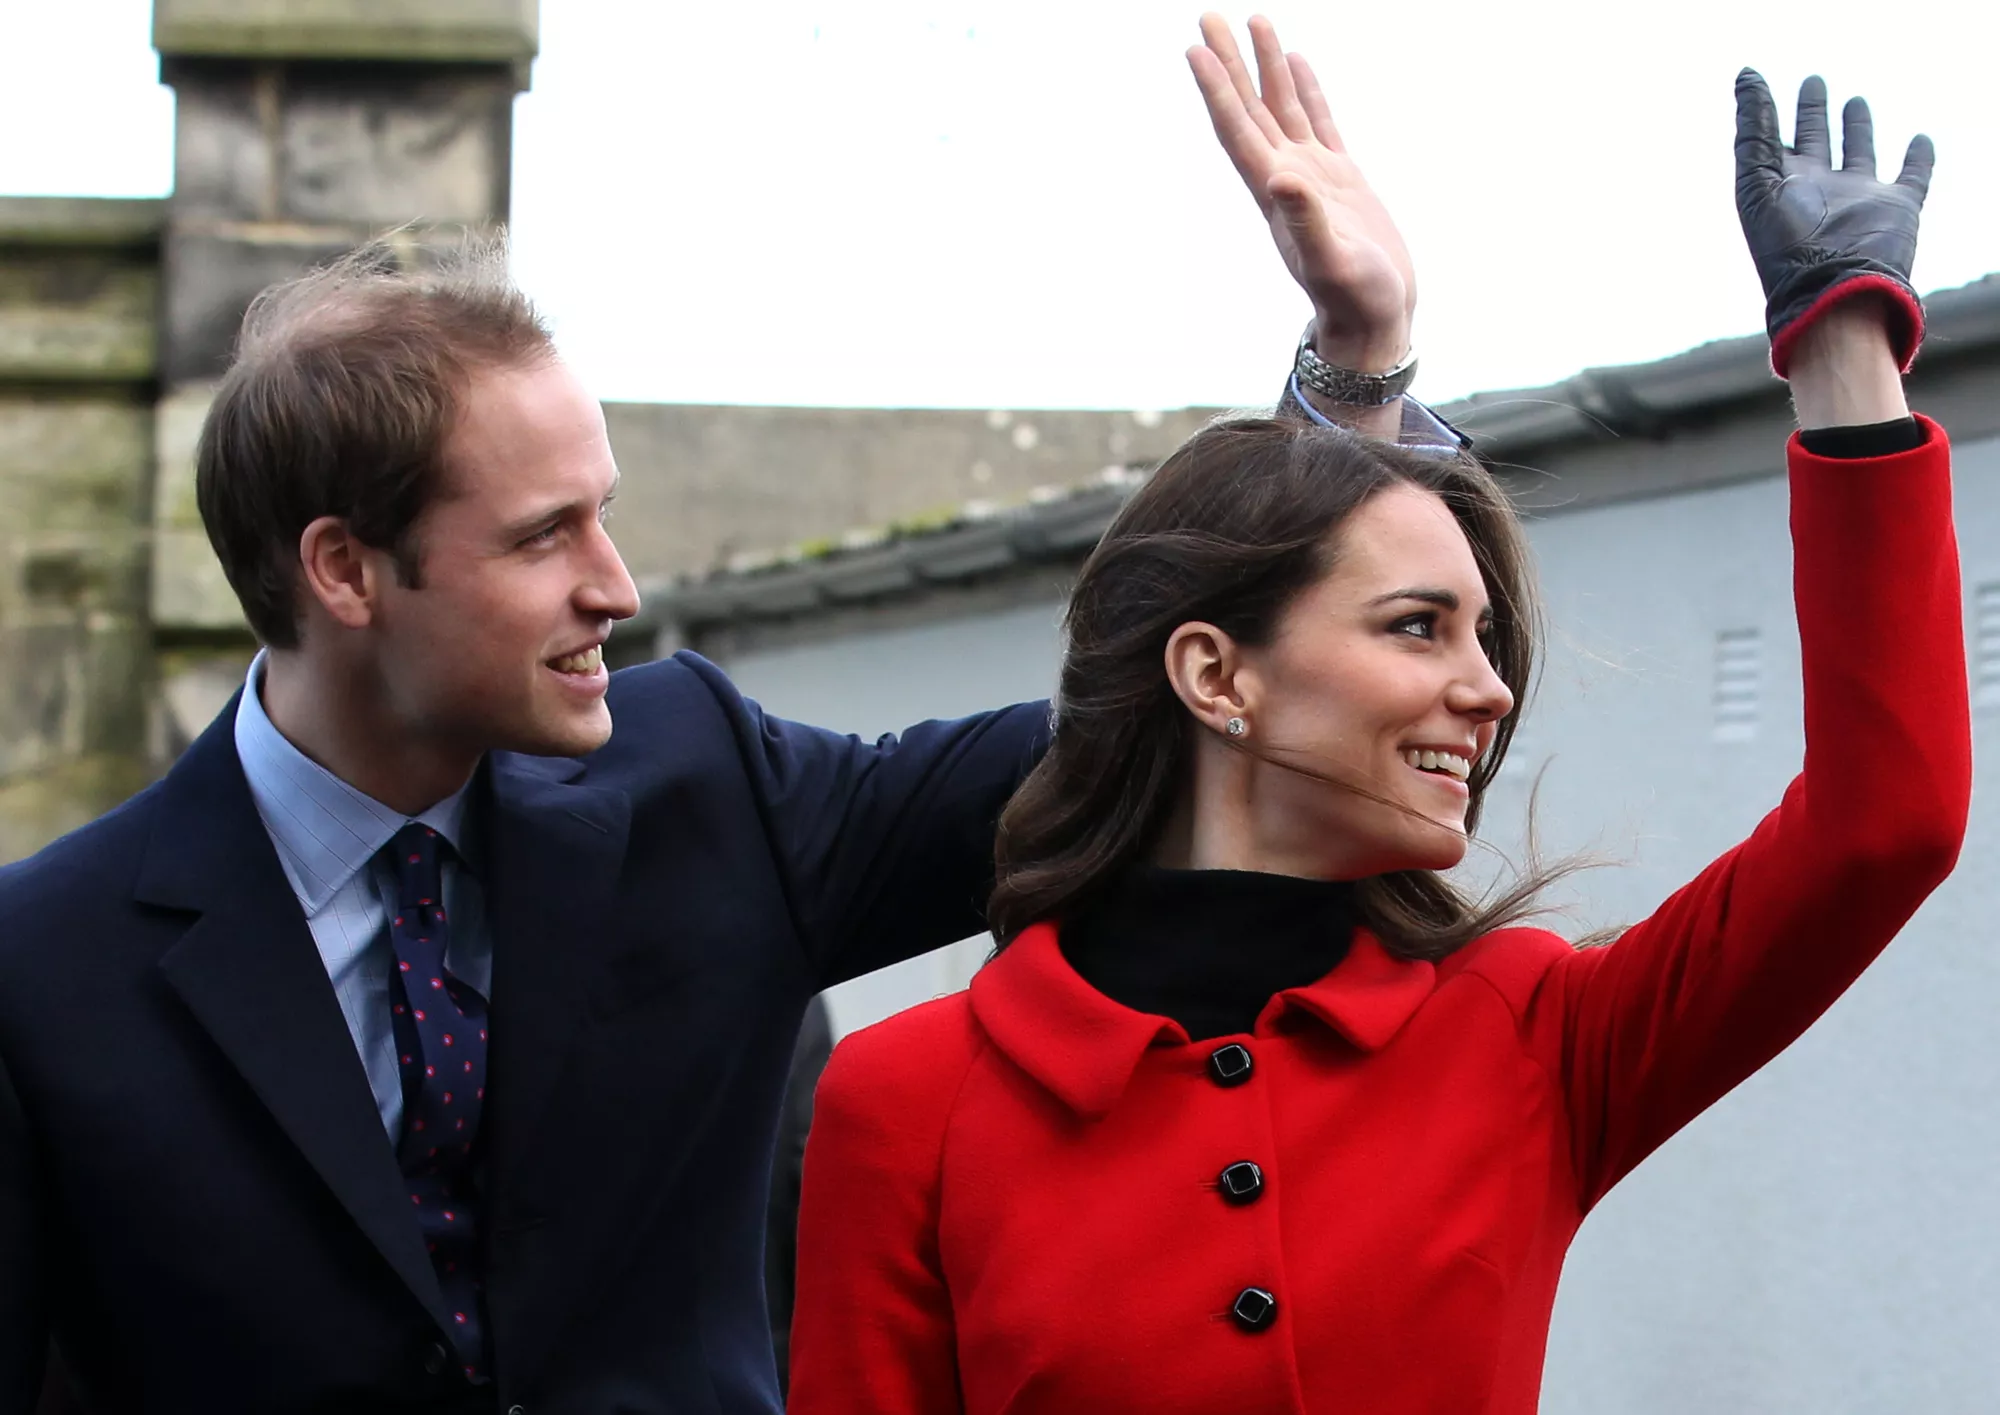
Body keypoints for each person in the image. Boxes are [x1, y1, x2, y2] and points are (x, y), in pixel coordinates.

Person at [0, 19, 1431, 1414]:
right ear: (344, 569)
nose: (615, 586)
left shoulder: (705, 780)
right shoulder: (44, 967)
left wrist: (1350, 382)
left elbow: (1134, 740)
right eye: (541, 536)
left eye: (603, 514)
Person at [786, 28, 1969, 1415]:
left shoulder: (1527, 1034)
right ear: (1216, 675)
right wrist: (1356, 373)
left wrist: (1840, 345)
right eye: (1419, 627)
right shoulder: (905, 1100)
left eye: (1485, 636)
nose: (1488, 687)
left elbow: (1884, 825)